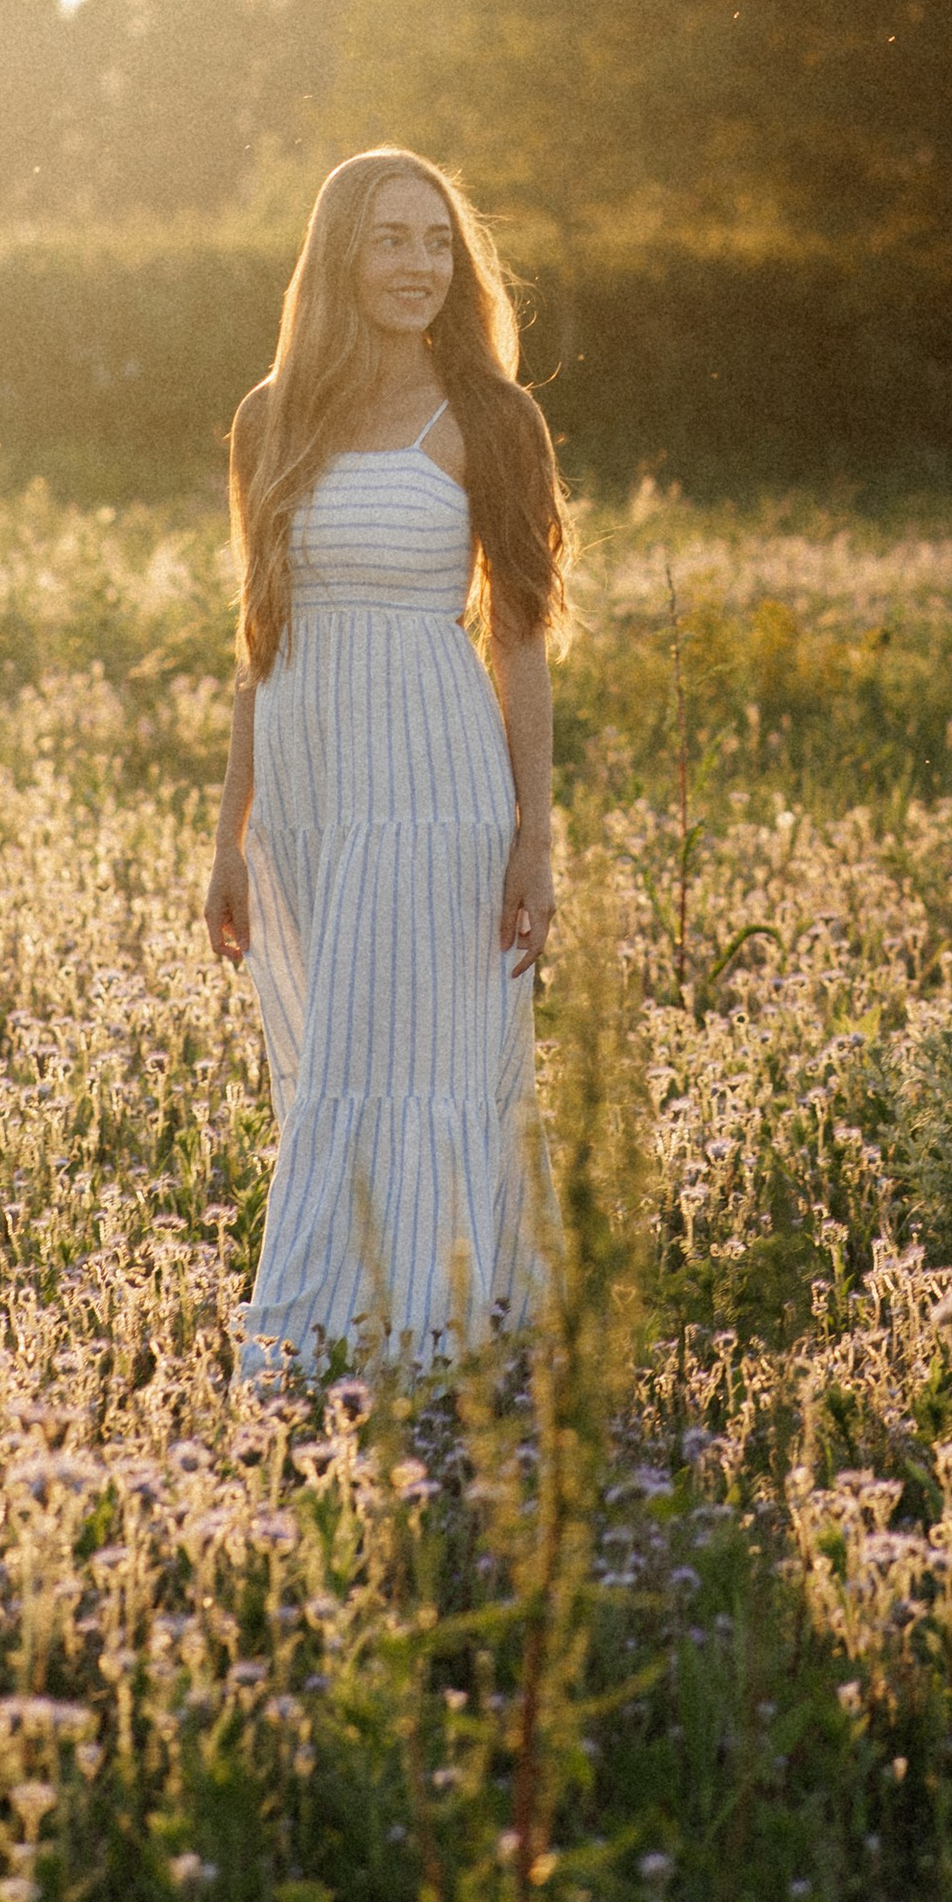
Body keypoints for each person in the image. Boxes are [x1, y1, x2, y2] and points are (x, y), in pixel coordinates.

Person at [203, 146, 571, 1371]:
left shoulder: (488, 416)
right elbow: (258, 639)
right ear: (339, 255)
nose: (418, 265)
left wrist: (534, 837)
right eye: (390, 239)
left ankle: (382, 1349)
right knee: (337, 1074)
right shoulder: (271, 418)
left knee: (404, 1065)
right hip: (313, 793)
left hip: (434, 792)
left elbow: (520, 639)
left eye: (436, 241)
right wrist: (230, 840)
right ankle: (381, 1339)